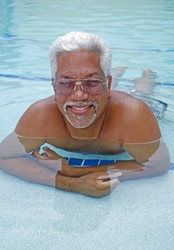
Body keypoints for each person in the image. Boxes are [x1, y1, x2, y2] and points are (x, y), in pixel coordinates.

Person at [0, 31, 170, 198]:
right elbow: (5, 157)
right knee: (95, 98)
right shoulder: (41, 116)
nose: (79, 95)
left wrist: (72, 171)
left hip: (126, 103)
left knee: (141, 94)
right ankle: (112, 76)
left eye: (92, 82)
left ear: (108, 84)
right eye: (66, 83)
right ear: (54, 85)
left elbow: (157, 165)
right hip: (105, 99)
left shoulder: (132, 115)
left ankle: (148, 77)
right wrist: (73, 184)